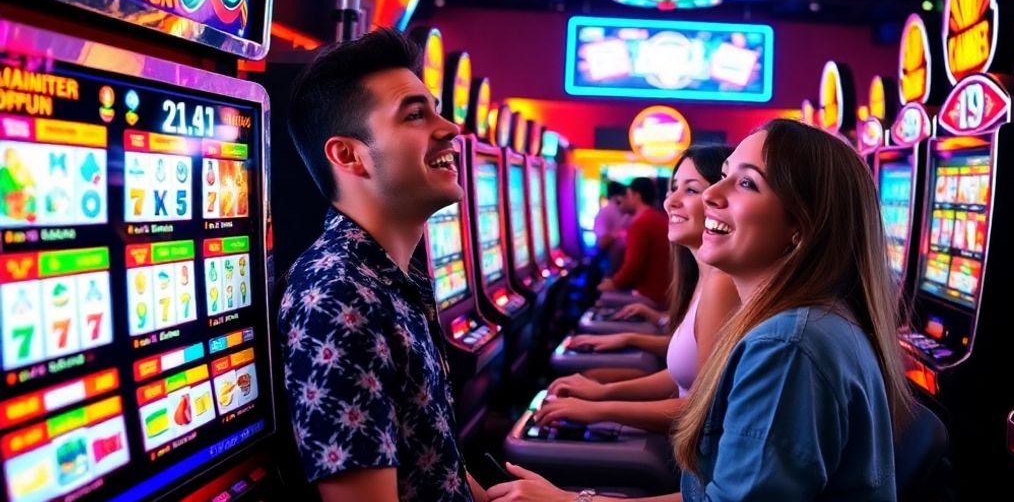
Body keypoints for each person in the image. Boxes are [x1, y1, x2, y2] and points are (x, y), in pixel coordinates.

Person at [487, 119, 912, 501]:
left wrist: (572, 501)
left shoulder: (787, 345)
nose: (710, 194)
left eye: (746, 184)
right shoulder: (798, 323)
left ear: (800, 229)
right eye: (723, 177)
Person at [278, 29, 489, 502]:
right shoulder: (338, 295)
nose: (451, 128)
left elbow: (434, 459)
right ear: (348, 155)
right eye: (416, 114)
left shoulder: (389, 275)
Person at [536, 146, 741, 434]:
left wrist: (599, 408)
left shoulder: (722, 284)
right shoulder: (704, 278)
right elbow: (682, 377)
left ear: (720, 200)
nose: (671, 202)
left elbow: (704, 410)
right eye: (672, 189)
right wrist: (602, 393)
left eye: (691, 190)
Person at [597, 177, 671, 306]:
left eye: (628, 194)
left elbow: (632, 267)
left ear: (636, 195)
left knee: (601, 296)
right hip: (665, 293)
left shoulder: (641, 223)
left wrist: (613, 283)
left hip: (651, 295)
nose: (625, 199)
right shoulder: (658, 217)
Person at [591, 180, 631, 269]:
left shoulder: (626, 212)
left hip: (621, 265)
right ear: (617, 197)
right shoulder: (605, 213)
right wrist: (617, 234)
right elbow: (601, 243)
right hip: (609, 265)